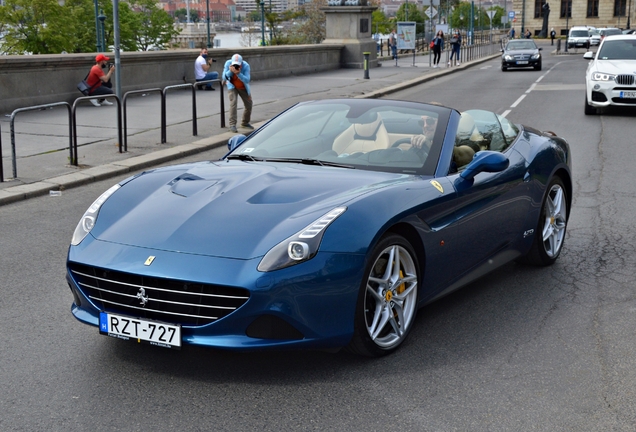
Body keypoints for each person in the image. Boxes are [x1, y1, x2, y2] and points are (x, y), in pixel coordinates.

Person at [222, 53, 253, 133]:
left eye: (238, 65)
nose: (236, 66)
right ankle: (232, 125)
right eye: (234, 65)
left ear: (241, 63)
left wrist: (239, 73)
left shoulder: (246, 66)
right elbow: (224, 77)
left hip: (243, 87)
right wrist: (230, 71)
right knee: (233, 102)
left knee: (249, 104)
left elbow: (247, 80)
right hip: (232, 86)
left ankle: (245, 123)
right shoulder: (228, 63)